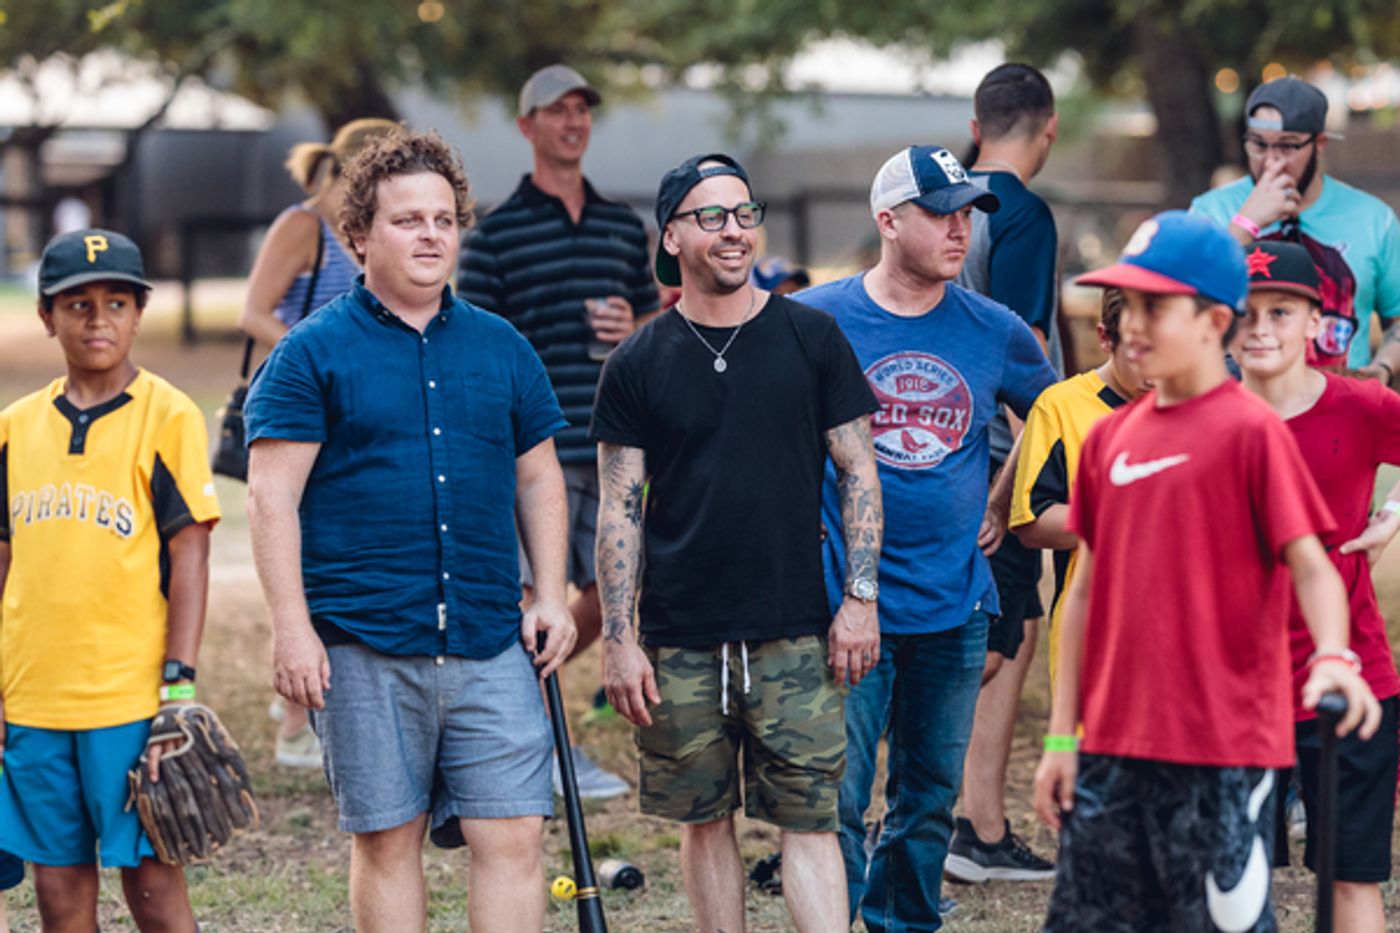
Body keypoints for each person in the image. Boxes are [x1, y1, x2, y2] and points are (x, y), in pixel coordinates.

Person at [245, 131, 576, 933]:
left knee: (514, 831)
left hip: (489, 637)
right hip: (363, 640)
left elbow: (539, 477)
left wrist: (554, 593)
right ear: (359, 236)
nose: (431, 235)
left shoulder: (503, 348)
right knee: (388, 839)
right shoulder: (310, 353)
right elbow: (270, 498)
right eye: (407, 220)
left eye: (443, 219)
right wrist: (293, 629)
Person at [1033, 211, 1381, 932]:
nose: (1133, 323)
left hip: (1221, 754)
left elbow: (1312, 567)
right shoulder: (1109, 441)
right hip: (1110, 749)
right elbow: (1087, 594)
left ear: (1213, 319)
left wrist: (1334, 656)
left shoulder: (1252, 433)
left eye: (1156, 305)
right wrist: (1063, 738)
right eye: (1126, 303)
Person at [591, 153, 882, 933]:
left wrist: (859, 598)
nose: (734, 231)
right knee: (703, 818)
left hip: (797, 629)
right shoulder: (637, 362)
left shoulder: (811, 337)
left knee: (811, 820)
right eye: (711, 216)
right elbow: (619, 507)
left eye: (744, 213)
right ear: (673, 236)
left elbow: (859, 472)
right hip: (681, 636)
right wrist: (619, 639)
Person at [798, 145, 1057, 931]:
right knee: (837, 794)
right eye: (941, 213)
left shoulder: (995, 329)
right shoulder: (819, 318)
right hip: (850, 601)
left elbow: (1050, 414)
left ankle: (904, 921)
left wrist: (1004, 495)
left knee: (929, 795)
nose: (960, 230)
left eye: (968, 215)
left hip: (953, 600)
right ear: (887, 220)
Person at [0, 228, 221, 931]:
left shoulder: (168, 414)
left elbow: (191, 553)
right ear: (47, 315)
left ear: (139, 311)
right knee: (59, 899)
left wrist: (177, 688)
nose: (99, 320)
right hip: (33, 698)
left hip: (130, 701)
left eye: (117, 302)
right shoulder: (13, 427)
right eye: (79, 304)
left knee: (154, 891)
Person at [458, 64, 657, 799]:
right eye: (557, 111)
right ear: (527, 127)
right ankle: (547, 749)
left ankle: (518, 691)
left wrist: (633, 323)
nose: (573, 122)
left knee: (618, 591)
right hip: (537, 451)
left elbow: (651, 320)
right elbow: (470, 342)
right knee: (536, 593)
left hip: (616, 445)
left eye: (582, 110)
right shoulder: (496, 233)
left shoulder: (618, 224)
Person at [1234, 240, 1400, 933]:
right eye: (1246, 312)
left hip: (1350, 678)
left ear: (1316, 322)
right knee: (1231, 889)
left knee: (1351, 881)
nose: (1262, 328)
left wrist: (1393, 512)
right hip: (1233, 691)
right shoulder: (1203, 419)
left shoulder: (1361, 407)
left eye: (1282, 310)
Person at [238, 116, 400, 770]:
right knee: (303, 551)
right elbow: (252, 311)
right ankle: (298, 723)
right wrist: (322, 364)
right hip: (306, 407)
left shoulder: (366, 238)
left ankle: (311, 699)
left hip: (351, 415)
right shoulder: (302, 227)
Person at [948, 61, 1063, 885]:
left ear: (979, 122)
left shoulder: (942, 202)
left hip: (941, 453)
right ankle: (957, 822)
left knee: (1008, 635)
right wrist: (1011, 490)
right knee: (988, 645)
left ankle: (976, 822)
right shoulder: (1016, 213)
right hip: (997, 461)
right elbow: (1025, 356)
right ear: (1048, 130)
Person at [1189, 76, 1400, 378]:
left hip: (1339, 407)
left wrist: (1382, 368)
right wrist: (1246, 223)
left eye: (1287, 146)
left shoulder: (1373, 218)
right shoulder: (1210, 211)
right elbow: (1185, 303)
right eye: (1258, 144)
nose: (1271, 161)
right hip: (1241, 405)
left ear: (1319, 144)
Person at [1006, 288, 1150, 693]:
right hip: (1094, 635)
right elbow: (1031, 521)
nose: (1154, 368)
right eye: (1137, 350)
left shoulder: (1197, 403)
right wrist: (1133, 515)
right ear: (1105, 339)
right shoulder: (1061, 407)